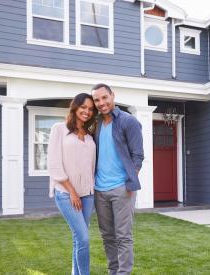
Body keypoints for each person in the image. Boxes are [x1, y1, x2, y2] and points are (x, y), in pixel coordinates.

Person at [91, 83, 144, 275]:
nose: (101, 103)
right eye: (97, 100)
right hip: (99, 189)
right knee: (107, 236)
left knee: (123, 236)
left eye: (104, 97)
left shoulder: (128, 121)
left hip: (122, 189)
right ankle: (113, 272)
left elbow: (138, 156)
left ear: (113, 96)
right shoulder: (95, 124)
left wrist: (129, 181)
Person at [47, 93, 98, 275]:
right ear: (75, 107)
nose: (87, 111)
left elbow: (90, 166)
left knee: (78, 239)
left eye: (91, 109)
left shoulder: (90, 136)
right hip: (66, 193)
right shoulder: (59, 129)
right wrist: (72, 192)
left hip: (88, 194)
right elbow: (54, 164)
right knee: (83, 238)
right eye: (83, 107)